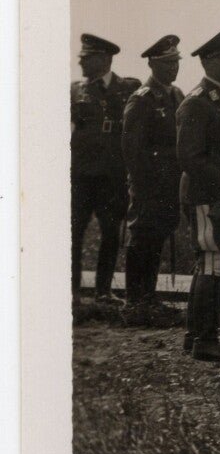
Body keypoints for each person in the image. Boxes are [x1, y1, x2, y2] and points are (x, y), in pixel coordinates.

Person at [174, 28, 220, 362]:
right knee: (211, 261)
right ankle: (205, 340)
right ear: (207, 61)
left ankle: (198, 335)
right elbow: (190, 157)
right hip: (208, 194)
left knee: (210, 262)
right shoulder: (197, 101)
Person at [120, 35, 186, 322]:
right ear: (152, 64)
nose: (173, 69)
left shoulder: (176, 95)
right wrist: (142, 183)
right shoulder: (142, 98)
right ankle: (134, 301)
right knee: (143, 237)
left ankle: (149, 296)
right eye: (167, 63)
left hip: (170, 182)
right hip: (148, 183)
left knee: (158, 236)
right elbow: (132, 148)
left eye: (175, 63)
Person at [72, 32, 139, 300]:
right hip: (80, 176)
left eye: (86, 58)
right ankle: (72, 291)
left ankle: (103, 291)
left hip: (112, 176)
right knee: (73, 233)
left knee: (111, 233)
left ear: (104, 59)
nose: (81, 64)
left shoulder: (127, 89)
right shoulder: (75, 90)